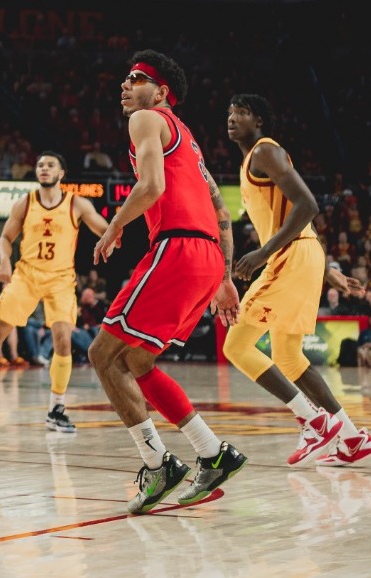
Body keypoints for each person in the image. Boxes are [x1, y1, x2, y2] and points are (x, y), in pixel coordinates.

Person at [89, 52, 246, 515]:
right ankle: (212, 452)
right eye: (125, 77)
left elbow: (152, 187)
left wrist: (114, 225)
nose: (125, 85)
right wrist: (222, 277)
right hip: (205, 256)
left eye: (136, 78)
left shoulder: (145, 119)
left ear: (160, 93)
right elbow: (221, 211)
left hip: (177, 247)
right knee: (137, 359)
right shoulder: (189, 137)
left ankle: (157, 463)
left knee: (102, 354)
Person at [224, 94, 371, 466]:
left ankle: (314, 421)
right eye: (230, 113)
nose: (232, 119)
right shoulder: (253, 159)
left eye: (241, 113)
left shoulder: (265, 151)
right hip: (303, 254)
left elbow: (309, 204)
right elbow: (302, 222)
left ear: (259, 121)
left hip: (289, 256)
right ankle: (352, 437)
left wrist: (263, 253)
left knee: (236, 346)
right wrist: (329, 272)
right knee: (289, 358)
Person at [0, 151, 108, 434]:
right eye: (40, 165)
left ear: (61, 173)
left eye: (50, 165)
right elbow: (5, 239)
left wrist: (111, 235)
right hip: (26, 275)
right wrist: (5, 260)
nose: (44, 169)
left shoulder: (77, 203)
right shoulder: (26, 202)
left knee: (63, 339)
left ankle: (56, 408)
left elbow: (103, 227)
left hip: (60, 278)